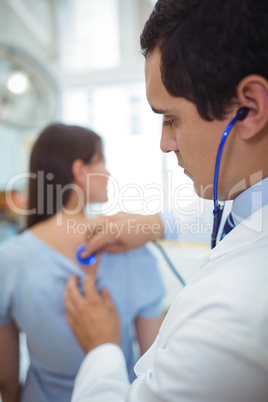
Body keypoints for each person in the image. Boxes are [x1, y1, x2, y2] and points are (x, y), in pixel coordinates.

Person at [64, 0, 268, 401]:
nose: (163, 143)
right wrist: (152, 224)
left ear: (251, 108)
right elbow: (246, 221)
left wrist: (101, 346)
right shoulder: (249, 198)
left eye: (171, 118)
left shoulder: (237, 314)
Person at [0, 123, 173, 402]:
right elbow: (153, 367)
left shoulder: (9, 260)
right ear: (80, 171)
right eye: (101, 160)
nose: (108, 172)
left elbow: (6, 380)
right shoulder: (137, 252)